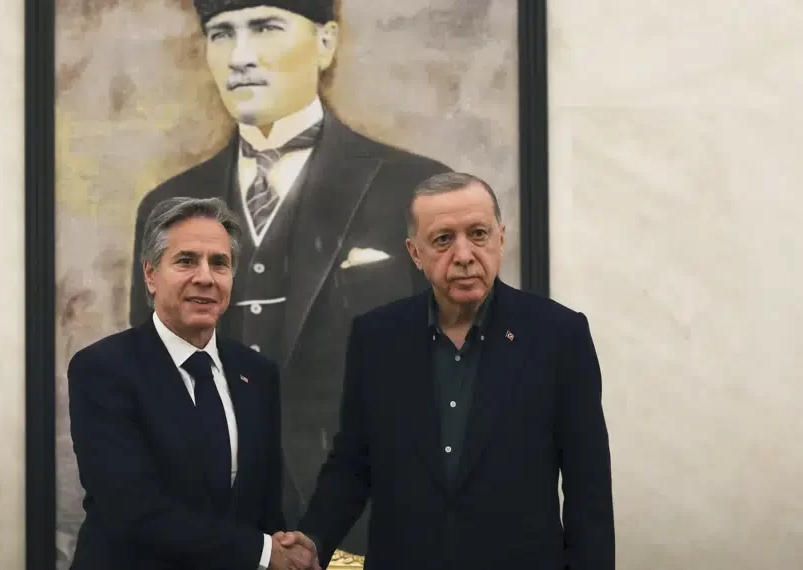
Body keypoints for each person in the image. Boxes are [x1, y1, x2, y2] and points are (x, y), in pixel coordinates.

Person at [128, 0, 453, 556]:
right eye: (221, 33)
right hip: (215, 530)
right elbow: (150, 383)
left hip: (364, 525)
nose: (241, 56)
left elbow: (449, 373)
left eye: (266, 28)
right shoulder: (168, 204)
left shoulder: (414, 187)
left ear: (325, 43)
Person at [279, 172, 616, 569]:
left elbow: (587, 486)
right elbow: (354, 461)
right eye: (443, 239)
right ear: (415, 252)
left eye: (478, 234)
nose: (463, 254)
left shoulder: (559, 335)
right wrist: (315, 539)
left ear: (501, 238)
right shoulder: (377, 337)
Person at [68, 197, 314, 569]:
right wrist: (264, 552)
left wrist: (285, 548)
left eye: (219, 263)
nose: (205, 277)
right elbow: (133, 511)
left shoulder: (257, 374)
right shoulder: (103, 370)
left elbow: (262, 509)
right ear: (150, 274)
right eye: (186, 261)